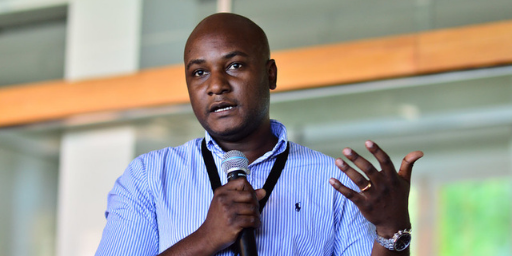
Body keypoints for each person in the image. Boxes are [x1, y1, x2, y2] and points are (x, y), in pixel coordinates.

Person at [95, 13, 423, 256]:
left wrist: (392, 228)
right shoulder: (148, 177)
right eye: (199, 73)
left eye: (235, 65)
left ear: (270, 74)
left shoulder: (332, 182)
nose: (215, 85)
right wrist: (206, 238)